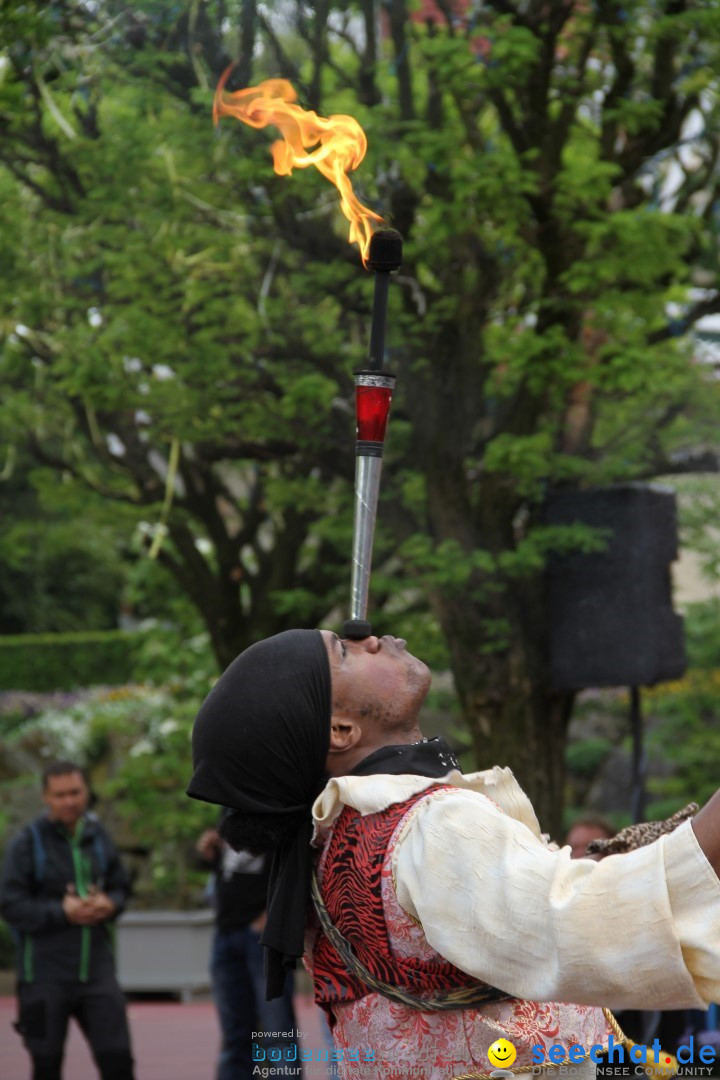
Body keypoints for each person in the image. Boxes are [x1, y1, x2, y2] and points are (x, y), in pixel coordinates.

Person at [187, 630, 720, 1080]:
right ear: (340, 730)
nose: (369, 635)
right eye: (344, 652)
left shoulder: (330, 843)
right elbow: (579, 923)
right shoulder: (429, 826)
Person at [0, 760, 134, 1080]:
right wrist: (62, 912)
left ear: (86, 791)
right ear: (45, 797)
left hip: (98, 975)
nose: (69, 801)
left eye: (75, 792)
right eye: (60, 795)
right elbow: (10, 904)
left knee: (118, 1062)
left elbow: (121, 887)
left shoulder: (98, 835)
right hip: (44, 978)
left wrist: (110, 903)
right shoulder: (26, 843)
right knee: (45, 1066)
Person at [196, 818, 298, 1080]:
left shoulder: (275, 800)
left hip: (262, 934)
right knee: (235, 1035)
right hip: (226, 929)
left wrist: (274, 915)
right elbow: (229, 867)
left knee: (277, 1035)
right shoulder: (227, 801)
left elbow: (296, 857)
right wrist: (211, 854)